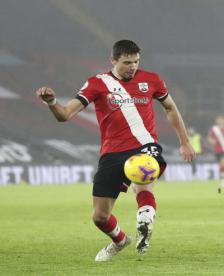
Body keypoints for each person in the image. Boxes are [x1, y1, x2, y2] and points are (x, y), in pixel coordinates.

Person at [35, 40, 195, 262]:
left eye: (136, 62)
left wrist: (184, 141)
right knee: (100, 217)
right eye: (127, 62)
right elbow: (65, 115)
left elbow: (170, 107)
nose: (133, 67)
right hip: (112, 153)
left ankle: (145, 218)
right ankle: (120, 240)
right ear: (113, 60)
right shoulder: (97, 84)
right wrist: (52, 102)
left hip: (144, 145)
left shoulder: (152, 80)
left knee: (143, 172)